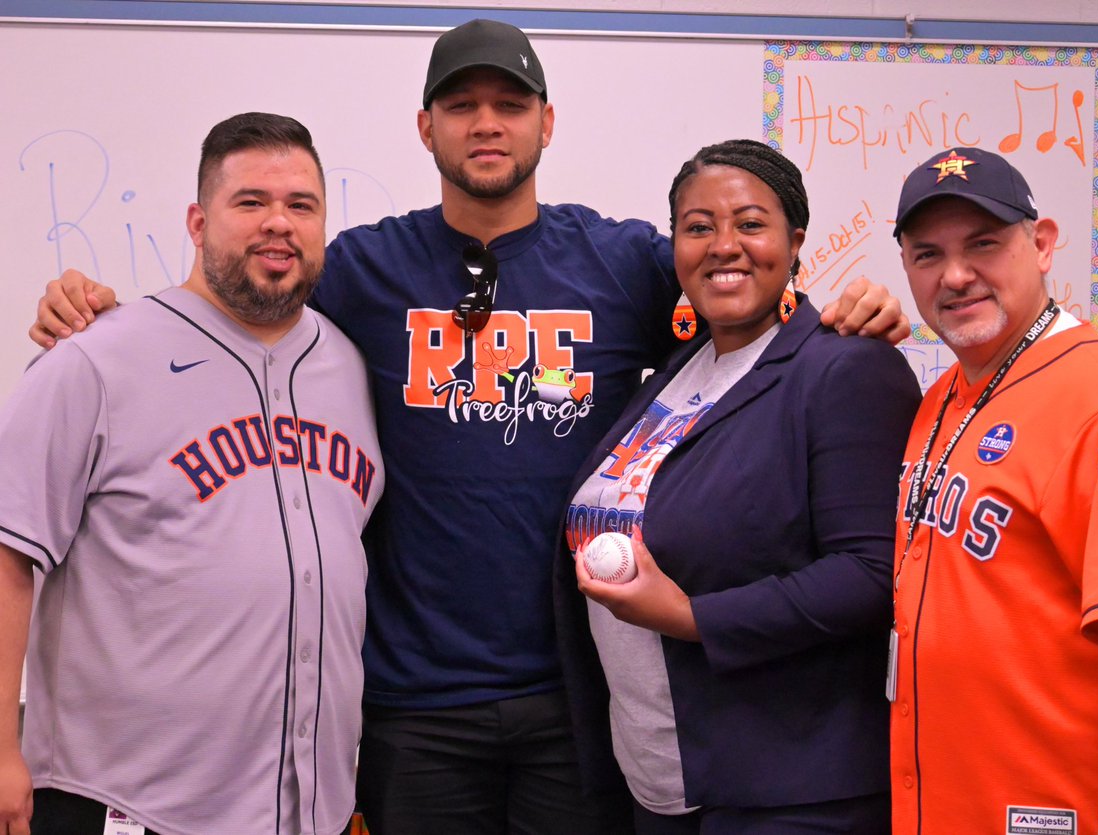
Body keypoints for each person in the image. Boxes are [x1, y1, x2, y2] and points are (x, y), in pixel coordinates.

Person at [26, 21, 908, 834]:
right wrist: (95, 302)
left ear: (546, 123)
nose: (486, 124)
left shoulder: (623, 260)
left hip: (574, 697)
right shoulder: (363, 268)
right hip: (414, 704)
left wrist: (844, 305)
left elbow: (739, 297)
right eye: (462, 106)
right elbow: (240, 288)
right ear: (426, 127)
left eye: (509, 105)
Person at [0, 113, 382, 835]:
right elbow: (7, 550)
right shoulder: (93, 358)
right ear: (197, 220)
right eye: (250, 202)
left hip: (307, 810)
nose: (278, 222)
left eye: (301, 205)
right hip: (130, 805)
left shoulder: (352, 368)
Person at [558, 139, 921, 833]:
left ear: (795, 242)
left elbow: (873, 576)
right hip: (663, 777)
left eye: (750, 223)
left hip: (791, 790)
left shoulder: (845, 368)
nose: (724, 245)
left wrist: (693, 616)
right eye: (699, 227)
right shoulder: (677, 373)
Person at [890, 146, 1098, 835]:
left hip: (1064, 811)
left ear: (1043, 244)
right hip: (954, 804)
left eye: (984, 244)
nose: (958, 275)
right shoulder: (943, 397)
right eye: (928, 254)